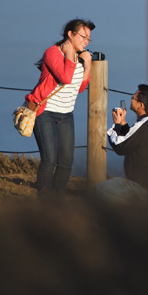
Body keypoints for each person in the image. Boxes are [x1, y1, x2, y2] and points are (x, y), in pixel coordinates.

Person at [25, 18, 95, 195]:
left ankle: (56, 197)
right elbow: (65, 78)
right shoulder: (52, 53)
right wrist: (70, 54)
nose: (86, 42)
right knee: (49, 160)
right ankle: (42, 194)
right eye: (83, 37)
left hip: (66, 115)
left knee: (66, 162)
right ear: (70, 34)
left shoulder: (80, 57)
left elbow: (79, 87)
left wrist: (87, 65)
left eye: (89, 39)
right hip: (45, 113)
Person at [95, 84, 148, 204]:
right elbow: (134, 140)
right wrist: (123, 124)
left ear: (141, 105)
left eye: (133, 97)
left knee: (99, 189)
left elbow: (120, 147)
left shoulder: (143, 126)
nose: (131, 99)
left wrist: (117, 125)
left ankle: (134, 211)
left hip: (142, 188)